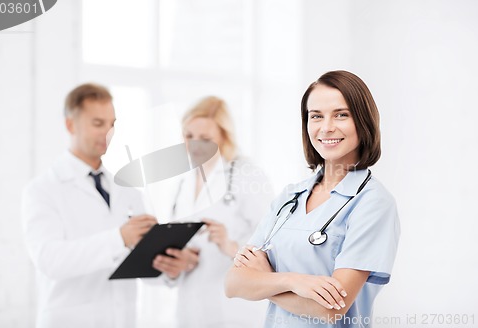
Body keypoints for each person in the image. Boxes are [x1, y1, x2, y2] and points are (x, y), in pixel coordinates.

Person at [225, 70, 401, 328]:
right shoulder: (290, 197)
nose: (326, 127)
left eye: (341, 114)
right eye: (316, 116)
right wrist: (293, 281)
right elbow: (233, 283)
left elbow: (331, 310)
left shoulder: (372, 202)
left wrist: (265, 280)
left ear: (363, 121)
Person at [21, 83, 157, 328]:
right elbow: (49, 260)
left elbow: (140, 264)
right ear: (70, 125)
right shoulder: (42, 190)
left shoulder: (128, 191)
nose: (108, 132)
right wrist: (119, 238)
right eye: (98, 124)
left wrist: (167, 263)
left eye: (112, 123)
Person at [152, 96, 274, 327]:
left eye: (205, 138)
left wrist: (230, 246)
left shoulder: (247, 175)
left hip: (236, 312)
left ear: (224, 137)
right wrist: (179, 262)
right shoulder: (183, 184)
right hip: (191, 310)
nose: (195, 145)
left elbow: (275, 244)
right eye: (189, 136)